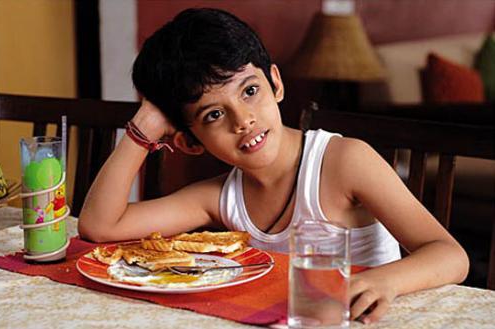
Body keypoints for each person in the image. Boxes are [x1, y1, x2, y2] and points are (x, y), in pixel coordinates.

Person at [78, 8, 469, 324]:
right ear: (190, 142)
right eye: (214, 115)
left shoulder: (345, 161)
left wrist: (384, 282)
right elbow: (100, 226)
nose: (243, 120)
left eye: (250, 91)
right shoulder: (218, 198)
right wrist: (141, 131)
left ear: (276, 84)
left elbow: (450, 255)